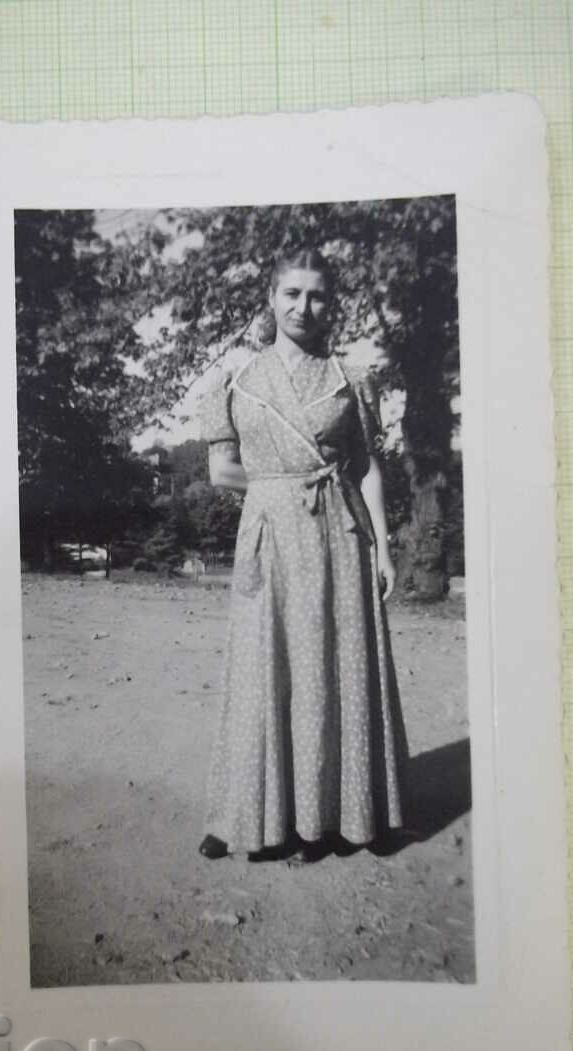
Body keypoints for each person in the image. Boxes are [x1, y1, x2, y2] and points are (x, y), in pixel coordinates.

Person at [198, 247, 408, 861]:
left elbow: (367, 468)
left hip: (339, 532)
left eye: (316, 295)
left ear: (331, 303)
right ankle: (245, 812)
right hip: (269, 532)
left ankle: (346, 815)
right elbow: (220, 471)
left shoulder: (351, 378)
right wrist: (281, 487)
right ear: (271, 298)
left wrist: (384, 549)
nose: (303, 306)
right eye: (291, 293)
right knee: (262, 664)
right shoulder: (237, 378)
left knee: (337, 665)